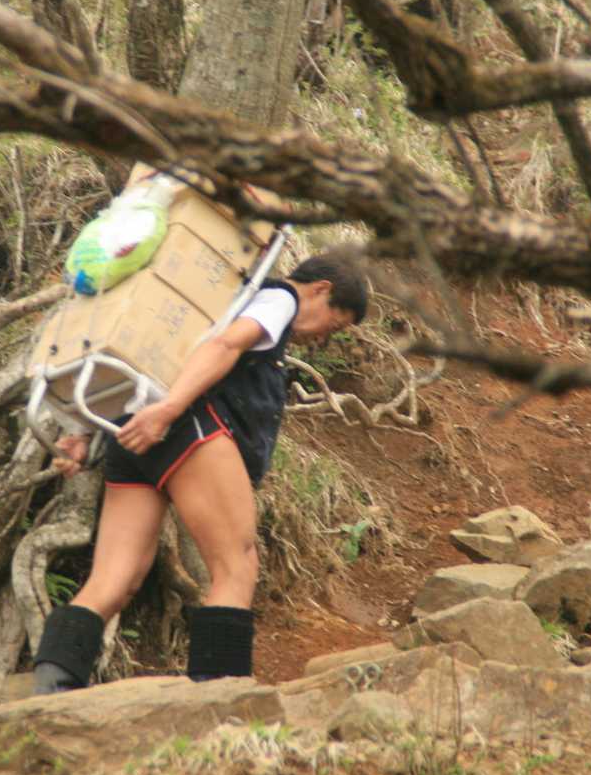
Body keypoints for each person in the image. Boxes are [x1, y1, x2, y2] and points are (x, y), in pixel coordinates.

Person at [33, 250, 369, 692]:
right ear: (322, 290)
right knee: (237, 565)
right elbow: (224, 346)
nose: (324, 336)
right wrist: (170, 410)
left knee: (117, 578)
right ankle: (219, 697)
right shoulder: (280, 299)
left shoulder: (231, 298)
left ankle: (52, 688)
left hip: (135, 436)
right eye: (334, 323)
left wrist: (83, 431)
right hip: (185, 430)